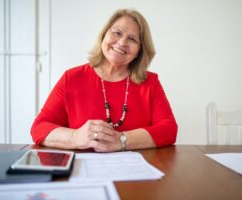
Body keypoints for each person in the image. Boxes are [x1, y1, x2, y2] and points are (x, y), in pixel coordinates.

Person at [31, 9, 177, 152]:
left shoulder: (150, 82)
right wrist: (75, 137)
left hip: (136, 171)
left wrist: (121, 140)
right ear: (104, 35)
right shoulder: (72, 78)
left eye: (132, 39)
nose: (122, 42)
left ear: (140, 50)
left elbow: (169, 129)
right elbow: (39, 128)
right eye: (117, 33)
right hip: (82, 170)